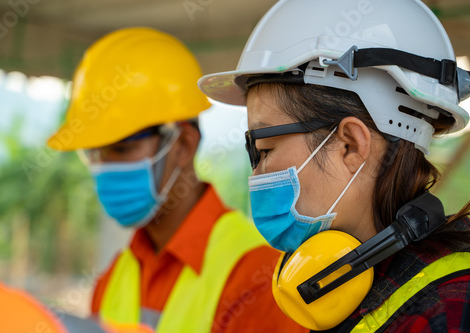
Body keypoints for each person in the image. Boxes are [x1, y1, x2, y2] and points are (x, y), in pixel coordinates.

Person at [198, 0, 470, 332]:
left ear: (350, 146)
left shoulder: (447, 310)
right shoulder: (343, 288)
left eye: (264, 149)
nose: (255, 175)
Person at [47, 27, 307, 333]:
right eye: (94, 153)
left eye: (121, 148)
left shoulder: (256, 276)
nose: (104, 168)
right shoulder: (114, 276)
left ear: (183, 144)